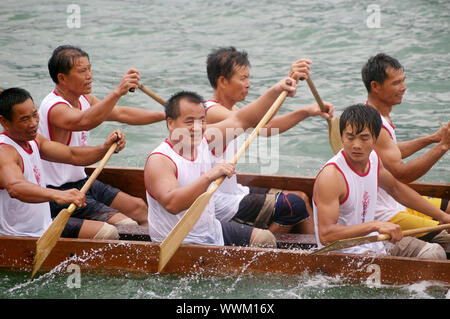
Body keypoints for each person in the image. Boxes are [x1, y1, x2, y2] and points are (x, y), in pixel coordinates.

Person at [145, 76, 298, 248]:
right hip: (179, 242)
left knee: (265, 239)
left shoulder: (204, 138)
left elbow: (241, 119)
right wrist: (210, 176)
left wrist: (276, 90)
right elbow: (172, 204)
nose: (197, 127)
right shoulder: (160, 160)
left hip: (211, 230)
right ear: (170, 123)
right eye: (189, 121)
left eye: (202, 120)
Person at [203, 47, 334, 234]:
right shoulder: (210, 111)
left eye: (248, 78)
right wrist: (289, 82)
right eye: (243, 78)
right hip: (217, 201)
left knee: (302, 198)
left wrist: (306, 112)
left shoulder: (232, 111)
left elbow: (266, 127)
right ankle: (262, 250)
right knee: (293, 205)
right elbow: (260, 125)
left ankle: (316, 253)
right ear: (223, 81)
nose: (248, 84)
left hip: (234, 192)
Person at [38, 45, 165, 227]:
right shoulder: (54, 107)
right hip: (58, 191)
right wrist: (117, 92)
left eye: (90, 69)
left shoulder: (84, 99)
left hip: (82, 182)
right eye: (82, 71)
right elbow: (84, 121)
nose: (89, 75)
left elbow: (121, 114)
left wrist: (166, 115)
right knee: (127, 225)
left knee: (139, 208)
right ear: (62, 78)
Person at [312, 103, 446, 259]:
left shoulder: (374, 158)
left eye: (364, 138)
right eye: (350, 137)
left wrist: (442, 216)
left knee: (434, 252)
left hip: (373, 243)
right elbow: (326, 235)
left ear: (375, 138)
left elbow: (396, 189)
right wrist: (375, 225)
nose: (356, 145)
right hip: (343, 255)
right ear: (341, 136)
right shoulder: (331, 177)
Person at [0, 87, 128, 239]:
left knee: (109, 232)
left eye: (35, 115)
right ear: (4, 122)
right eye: (25, 119)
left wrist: (105, 148)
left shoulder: (34, 140)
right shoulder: (5, 151)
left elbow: (72, 155)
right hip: (19, 236)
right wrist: (58, 195)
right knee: (107, 234)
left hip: (46, 225)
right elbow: (16, 188)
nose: (34, 123)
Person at [361, 53, 450, 242]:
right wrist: (442, 147)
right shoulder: (371, 123)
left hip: (396, 200)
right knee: (445, 235)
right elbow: (402, 175)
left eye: (403, 81)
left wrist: (432, 139)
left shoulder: (374, 113)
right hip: (382, 213)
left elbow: (392, 150)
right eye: (396, 83)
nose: (404, 88)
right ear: (375, 86)